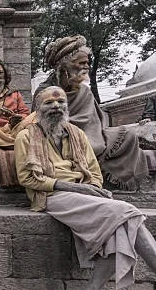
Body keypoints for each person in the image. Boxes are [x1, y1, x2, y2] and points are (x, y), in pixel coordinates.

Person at [15, 86, 156, 290]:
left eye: (60, 102)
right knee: (126, 211)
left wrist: (93, 187)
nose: (56, 106)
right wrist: (78, 189)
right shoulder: (26, 136)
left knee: (121, 227)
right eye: (49, 103)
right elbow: (28, 179)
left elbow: (94, 173)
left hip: (85, 195)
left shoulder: (77, 134)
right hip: (51, 195)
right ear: (37, 108)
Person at [34, 35, 148, 188]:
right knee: (79, 147)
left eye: (87, 63)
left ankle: (109, 182)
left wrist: (86, 135)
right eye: (81, 63)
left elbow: (94, 123)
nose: (86, 67)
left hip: (91, 135)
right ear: (65, 66)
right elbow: (38, 122)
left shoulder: (84, 91)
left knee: (129, 135)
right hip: (57, 137)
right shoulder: (44, 91)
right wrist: (70, 132)